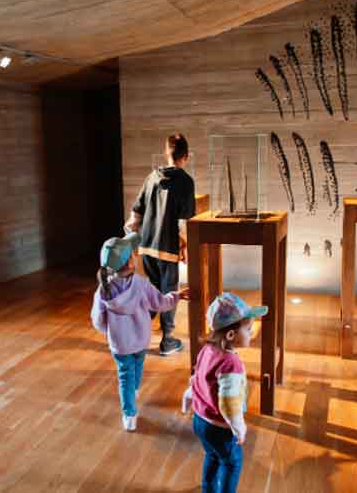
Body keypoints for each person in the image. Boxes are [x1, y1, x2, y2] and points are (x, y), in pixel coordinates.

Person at [91, 232, 190, 431]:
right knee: (137, 365)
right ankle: (134, 390)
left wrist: (110, 332)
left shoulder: (104, 290)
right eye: (133, 253)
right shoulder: (141, 284)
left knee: (124, 374)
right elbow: (161, 303)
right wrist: (176, 295)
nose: (136, 254)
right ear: (130, 262)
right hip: (141, 339)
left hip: (120, 343)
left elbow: (98, 321)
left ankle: (129, 415)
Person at [182, 293, 267, 493]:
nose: (252, 332)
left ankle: (207, 489)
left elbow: (198, 379)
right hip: (220, 428)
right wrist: (239, 427)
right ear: (231, 335)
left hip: (200, 420)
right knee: (231, 463)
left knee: (211, 455)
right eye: (248, 329)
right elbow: (229, 404)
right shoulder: (232, 364)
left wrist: (188, 396)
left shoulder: (207, 350)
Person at [125, 133, 195, 355]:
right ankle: (168, 340)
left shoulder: (151, 177)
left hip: (147, 246)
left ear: (166, 153)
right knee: (168, 293)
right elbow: (184, 221)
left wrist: (133, 237)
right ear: (186, 156)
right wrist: (185, 247)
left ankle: (136, 335)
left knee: (152, 292)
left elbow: (136, 212)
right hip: (168, 249)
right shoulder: (185, 181)